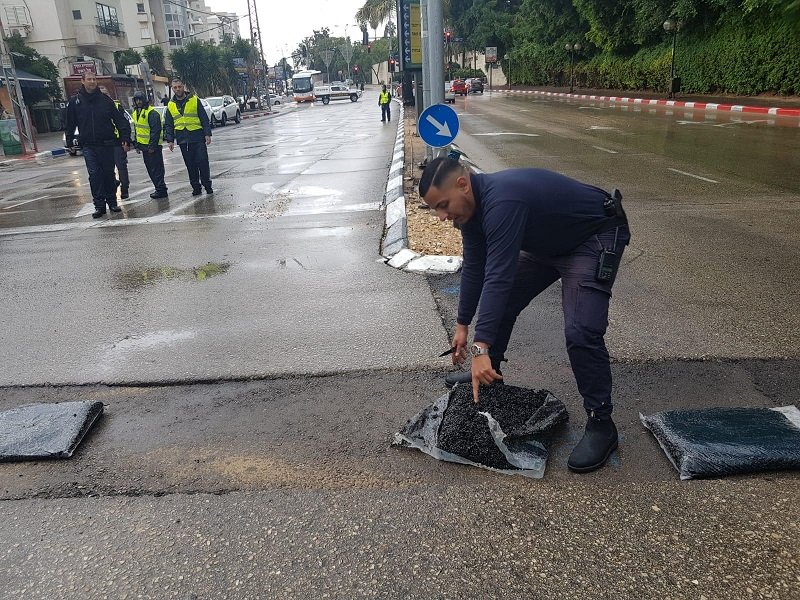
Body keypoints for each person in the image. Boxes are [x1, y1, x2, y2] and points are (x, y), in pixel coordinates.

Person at [419, 157, 631, 474]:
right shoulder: (470, 213)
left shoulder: (503, 200)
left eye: (443, 204)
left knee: (581, 330)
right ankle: (490, 374)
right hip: (550, 242)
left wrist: (479, 350)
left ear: (463, 183)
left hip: (594, 235)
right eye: (435, 208)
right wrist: (462, 324)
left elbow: (498, 277)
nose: (441, 215)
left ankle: (601, 423)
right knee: (504, 302)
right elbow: (476, 268)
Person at [64, 72, 132, 218]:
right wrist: (70, 141)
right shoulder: (76, 102)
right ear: (83, 81)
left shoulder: (105, 100)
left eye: (94, 79)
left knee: (108, 174)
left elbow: (119, 120)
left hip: (107, 144)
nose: (92, 81)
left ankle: (112, 202)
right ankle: (99, 206)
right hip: (88, 145)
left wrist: (125, 137)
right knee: (94, 175)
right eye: (89, 79)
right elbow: (70, 123)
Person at [163, 77, 213, 196]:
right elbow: (169, 124)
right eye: (175, 87)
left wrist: (207, 133)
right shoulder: (170, 105)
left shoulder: (194, 100)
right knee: (190, 166)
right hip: (183, 140)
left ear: (183, 87)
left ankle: (207, 186)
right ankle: (196, 187)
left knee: (203, 163)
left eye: (179, 87)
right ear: (172, 89)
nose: (178, 89)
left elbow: (203, 118)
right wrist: (170, 140)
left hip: (197, 137)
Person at [131, 90, 168, 199]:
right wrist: (137, 145)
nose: (138, 102)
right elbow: (137, 130)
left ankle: (161, 189)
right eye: (136, 100)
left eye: (140, 100)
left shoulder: (151, 113)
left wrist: (152, 146)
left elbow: (155, 131)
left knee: (157, 169)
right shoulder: (136, 113)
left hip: (153, 147)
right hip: (144, 147)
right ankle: (158, 188)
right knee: (151, 169)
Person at [100, 87, 130, 200]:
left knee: (121, 166)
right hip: (105, 143)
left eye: (105, 94)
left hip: (118, 142)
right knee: (107, 169)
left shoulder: (117, 107)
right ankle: (114, 183)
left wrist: (126, 140)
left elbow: (125, 124)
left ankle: (125, 189)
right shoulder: (97, 107)